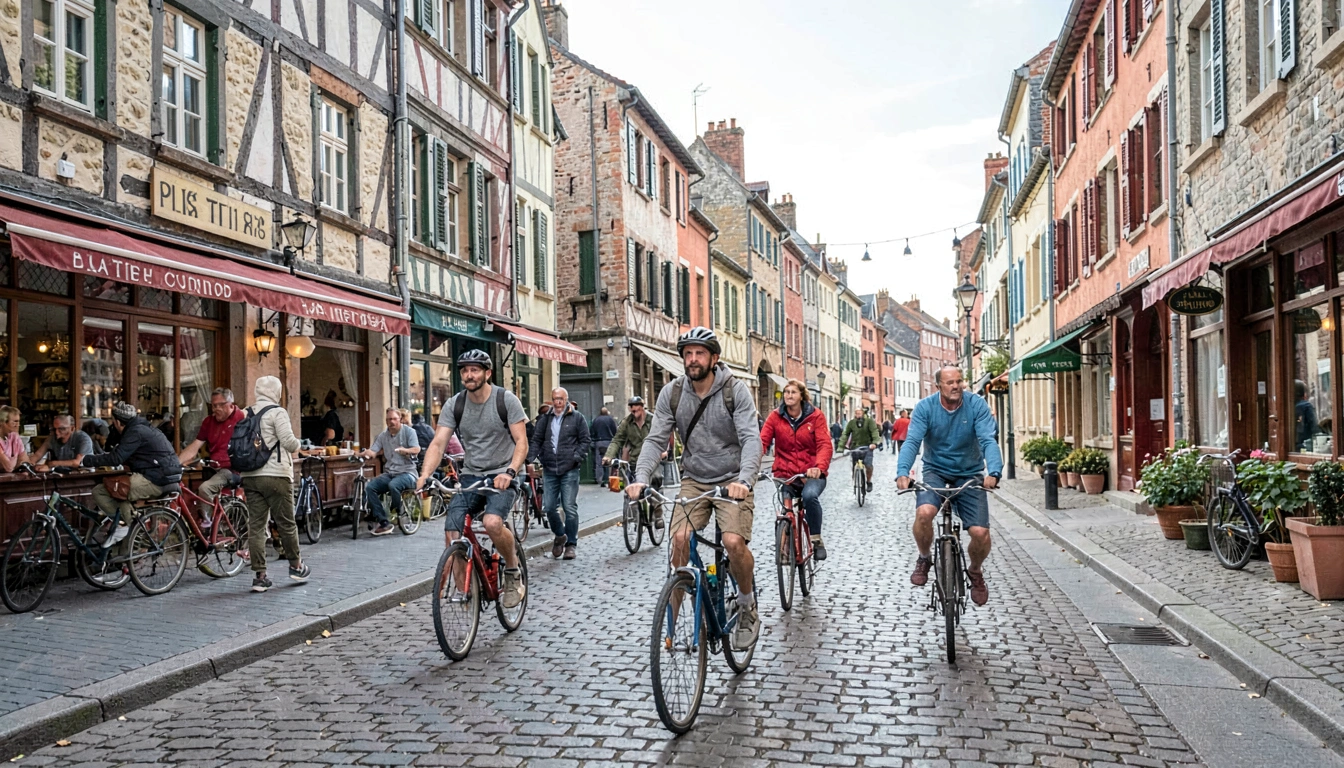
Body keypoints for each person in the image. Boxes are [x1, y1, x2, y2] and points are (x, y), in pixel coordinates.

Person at [625, 327, 762, 650]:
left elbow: (750, 440)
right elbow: (655, 439)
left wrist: (744, 481)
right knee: (680, 539)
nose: (693, 359)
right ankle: (671, 619)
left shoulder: (735, 391)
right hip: (695, 478)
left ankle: (746, 604)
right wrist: (641, 477)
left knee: (731, 541)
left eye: (700, 353)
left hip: (732, 479)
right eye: (688, 353)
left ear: (714, 358)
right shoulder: (672, 393)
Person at [416, 349, 529, 609]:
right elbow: (438, 443)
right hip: (471, 475)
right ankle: (464, 592)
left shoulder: (505, 400)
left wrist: (510, 472)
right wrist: (424, 475)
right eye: (465, 370)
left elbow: (522, 442)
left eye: (475, 369)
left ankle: (512, 573)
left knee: (491, 522)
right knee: (453, 531)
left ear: (487, 373)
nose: (469, 374)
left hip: (503, 473)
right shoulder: (455, 404)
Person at [896, 366, 1002, 606]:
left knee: (980, 533)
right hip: (935, 471)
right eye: (950, 382)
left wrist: (993, 471)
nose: (956, 386)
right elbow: (912, 441)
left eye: (959, 381)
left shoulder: (976, 406)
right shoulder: (925, 408)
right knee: (924, 513)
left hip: (969, 473)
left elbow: (988, 440)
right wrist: (903, 472)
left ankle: (975, 571)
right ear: (938, 386)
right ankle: (924, 558)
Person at [240, 376, 311, 593]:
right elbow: (289, 443)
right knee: (286, 523)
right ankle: (296, 566)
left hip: (250, 475)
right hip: (276, 476)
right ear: (276, 392)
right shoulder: (277, 412)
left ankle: (260, 577)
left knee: (256, 526)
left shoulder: (245, 412)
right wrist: (301, 443)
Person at [80, 401, 183, 548]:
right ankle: (131, 531)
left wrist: (85, 460)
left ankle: (126, 526)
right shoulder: (144, 428)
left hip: (157, 479)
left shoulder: (135, 432)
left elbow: (116, 458)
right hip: (168, 477)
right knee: (119, 491)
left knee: (101, 491)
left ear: (116, 421)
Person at [760, 380, 833, 560]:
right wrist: (751, 466)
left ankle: (816, 540)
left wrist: (819, 467)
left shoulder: (815, 416)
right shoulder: (775, 417)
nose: (789, 396)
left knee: (809, 496)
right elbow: (761, 442)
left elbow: (824, 445)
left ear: (802, 396)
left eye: (793, 392)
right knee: (785, 508)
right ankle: (784, 546)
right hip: (786, 473)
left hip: (811, 474)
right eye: (786, 392)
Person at [528, 387, 592, 559]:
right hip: (549, 468)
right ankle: (560, 535)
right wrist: (530, 459)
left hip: (569, 468)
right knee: (549, 507)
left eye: (560, 399)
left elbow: (585, 440)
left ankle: (571, 544)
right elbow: (537, 440)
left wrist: (576, 457)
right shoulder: (545, 419)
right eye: (555, 399)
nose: (557, 402)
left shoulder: (577, 417)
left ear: (566, 400)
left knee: (569, 507)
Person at [176, 388, 246, 524]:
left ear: (231, 404)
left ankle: (208, 524)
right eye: (214, 405)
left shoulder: (241, 417)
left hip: (232, 470)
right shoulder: (208, 422)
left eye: (221, 405)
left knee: (205, 489)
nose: (216, 409)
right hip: (212, 468)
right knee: (194, 495)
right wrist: (176, 462)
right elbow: (195, 446)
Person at [359, 408, 421, 536]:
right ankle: (384, 522)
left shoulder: (409, 432)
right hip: (391, 472)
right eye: (388, 419)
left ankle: (398, 510)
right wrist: (364, 453)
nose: (391, 422)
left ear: (400, 419)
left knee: (394, 485)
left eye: (394, 419)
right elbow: (374, 450)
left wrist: (406, 450)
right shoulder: (383, 436)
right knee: (370, 487)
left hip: (408, 472)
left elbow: (417, 449)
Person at [603, 396, 665, 502]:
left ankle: (658, 515)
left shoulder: (653, 420)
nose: (633, 408)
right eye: (631, 406)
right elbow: (617, 440)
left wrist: (664, 452)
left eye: (636, 405)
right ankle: (630, 515)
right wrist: (608, 456)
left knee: (655, 484)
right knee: (629, 490)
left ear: (642, 407)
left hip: (652, 461)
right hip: (634, 461)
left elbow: (662, 436)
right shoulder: (626, 422)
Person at [839, 407, 882, 492]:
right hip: (855, 447)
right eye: (856, 413)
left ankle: (868, 482)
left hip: (867, 447)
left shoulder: (869, 422)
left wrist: (874, 443)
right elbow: (845, 434)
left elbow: (874, 432)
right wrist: (841, 446)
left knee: (868, 465)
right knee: (854, 465)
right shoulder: (851, 423)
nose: (857, 415)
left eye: (859, 413)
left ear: (863, 413)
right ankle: (856, 480)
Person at [590, 406, 618, 485]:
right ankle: (610, 479)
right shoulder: (611, 420)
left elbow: (592, 431)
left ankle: (600, 479)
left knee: (599, 462)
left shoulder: (596, 420)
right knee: (610, 461)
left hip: (598, 442)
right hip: (609, 442)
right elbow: (615, 431)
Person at [0, 406, 30, 473]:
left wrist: (23, 469)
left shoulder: (14, 436)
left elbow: (24, 461)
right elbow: (8, 467)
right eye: (15, 421)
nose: (18, 425)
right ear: (4, 422)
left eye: (19, 421)